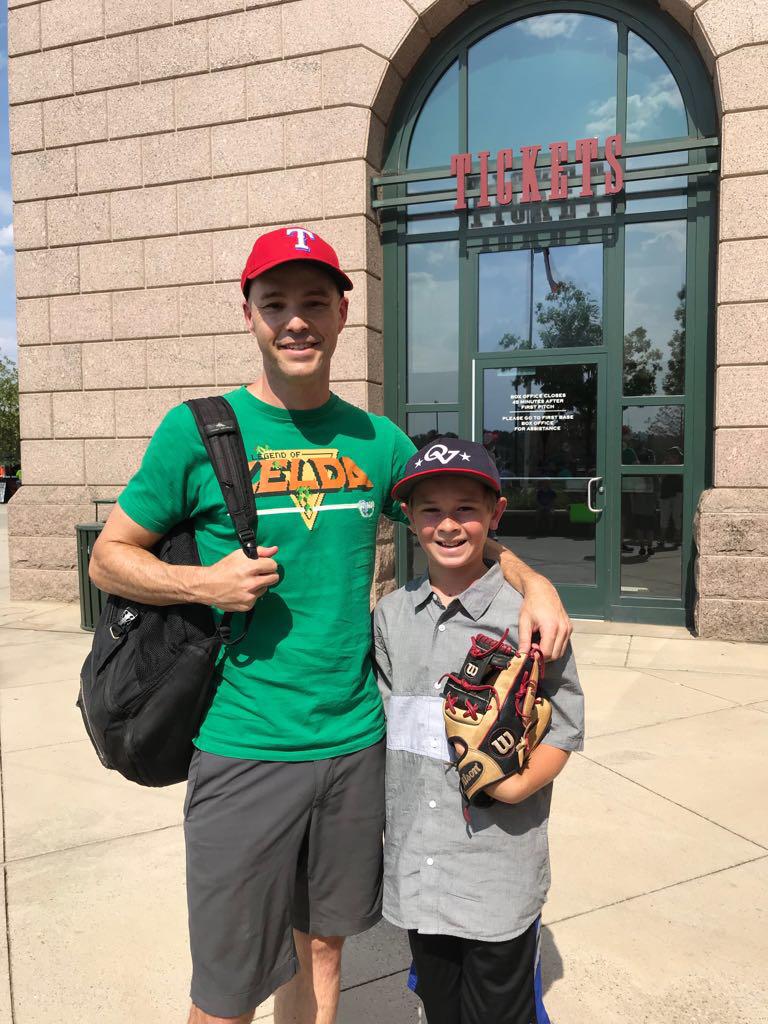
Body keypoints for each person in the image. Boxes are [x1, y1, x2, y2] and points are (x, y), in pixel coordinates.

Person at [89, 226, 573, 1024]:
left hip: (353, 746)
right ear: (248, 312)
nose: (296, 320)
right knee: (225, 989)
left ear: (343, 314)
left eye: (315, 302)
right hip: (245, 743)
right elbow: (110, 558)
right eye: (275, 302)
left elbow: (453, 521)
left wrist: (533, 580)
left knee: (323, 949)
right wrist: (202, 582)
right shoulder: (198, 430)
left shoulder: (377, 441)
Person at [373, 438, 584, 1024]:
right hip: (419, 868)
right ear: (409, 519)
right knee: (439, 1006)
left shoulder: (529, 615)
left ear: (495, 514)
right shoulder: (391, 617)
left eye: (466, 508)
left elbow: (565, 723)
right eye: (431, 510)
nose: (448, 524)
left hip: (496, 872)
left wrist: (518, 785)